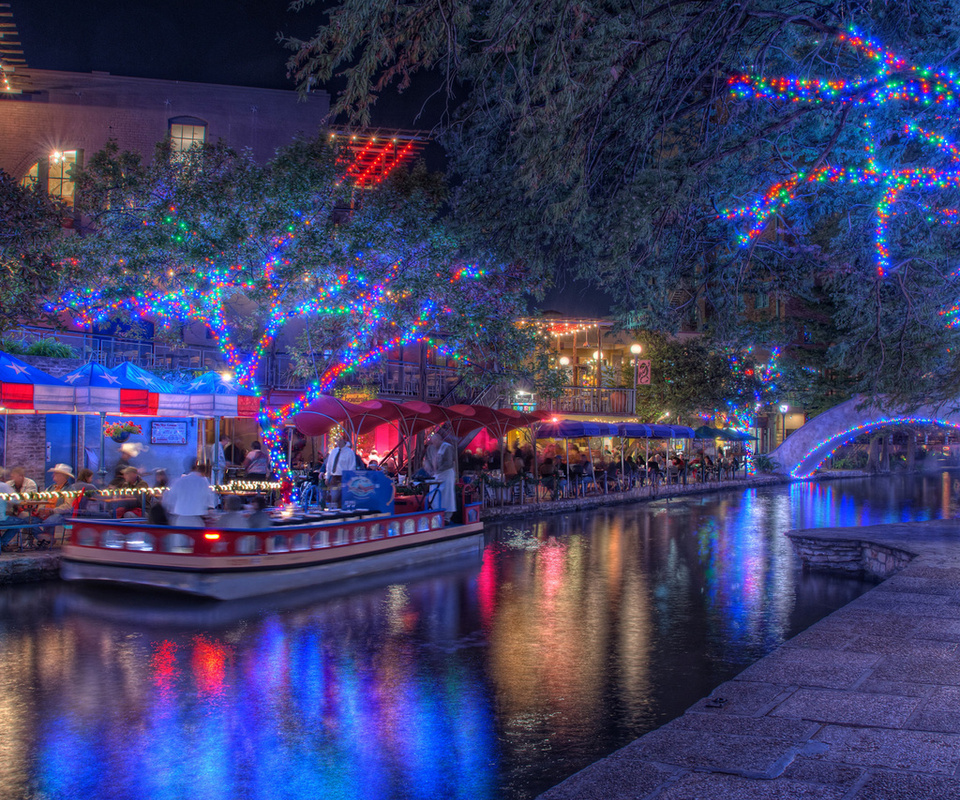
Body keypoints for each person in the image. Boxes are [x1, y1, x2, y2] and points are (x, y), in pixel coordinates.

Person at [164, 461, 216, 527]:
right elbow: (209, 501)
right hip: (196, 519)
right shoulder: (203, 481)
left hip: (180, 519)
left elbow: (169, 500)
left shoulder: (178, 481)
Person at [426, 432, 457, 523]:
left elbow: (449, 462)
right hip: (437, 475)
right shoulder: (431, 448)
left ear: (439, 440)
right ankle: (435, 513)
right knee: (434, 494)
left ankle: (447, 516)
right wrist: (429, 468)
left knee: (447, 495)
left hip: (446, 474)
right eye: (433, 442)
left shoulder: (447, 447)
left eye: (435, 441)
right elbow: (427, 460)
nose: (434, 443)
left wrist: (437, 469)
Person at [324, 435, 356, 507]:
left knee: (343, 498)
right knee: (334, 497)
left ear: (343, 441)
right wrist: (327, 476)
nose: (338, 442)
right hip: (334, 477)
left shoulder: (349, 453)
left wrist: (349, 478)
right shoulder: (334, 451)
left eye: (339, 440)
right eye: (337, 441)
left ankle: (342, 512)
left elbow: (352, 466)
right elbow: (329, 465)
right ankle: (334, 512)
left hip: (344, 477)